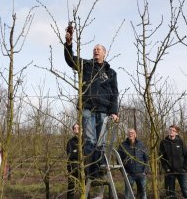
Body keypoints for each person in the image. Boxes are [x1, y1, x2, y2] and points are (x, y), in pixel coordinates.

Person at [64, 25, 119, 179]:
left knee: (100, 143)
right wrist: (68, 43)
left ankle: (98, 172)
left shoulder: (111, 73)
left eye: (98, 49)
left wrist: (114, 111)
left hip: (104, 110)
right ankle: (89, 171)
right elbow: (70, 59)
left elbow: (115, 93)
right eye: (94, 49)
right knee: (90, 141)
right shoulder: (86, 65)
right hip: (88, 108)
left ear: (104, 53)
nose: (96, 51)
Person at [159, 125, 187, 199]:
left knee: (185, 190)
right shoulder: (164, 142)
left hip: (181, 171)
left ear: (176, 133)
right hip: (170, 171)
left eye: (173, 130)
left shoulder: (181, 142)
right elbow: (161, 157)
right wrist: (166, 168)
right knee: (171, 192)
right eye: (170, 130)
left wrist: (184, 168)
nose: (171, 131)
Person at [118, 128, 149, 199]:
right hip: (129, 175)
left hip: (141, 174)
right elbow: (119, 160)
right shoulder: (122, 145)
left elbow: (146, 159)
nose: (130, 134)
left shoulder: (141, 144)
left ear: (135, 134)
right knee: (128, 195)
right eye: (129, 133)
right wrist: (124, 172)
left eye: (132, 133)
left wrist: (145, 171)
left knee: (143, 195)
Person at [66, 123, 80, 199]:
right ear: (73, 130)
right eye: (74, 128)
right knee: (71, 188)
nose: (76, 129)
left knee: (85, 188)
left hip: (84, 168)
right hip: (72, 168)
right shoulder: (70, 142)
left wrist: (75, 152)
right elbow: (70, 156)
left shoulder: (86, 141)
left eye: (78, 127)